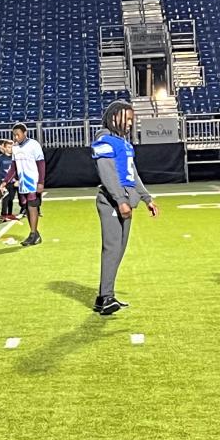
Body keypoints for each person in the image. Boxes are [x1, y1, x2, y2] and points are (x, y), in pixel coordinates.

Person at [90, 100, 159, 315]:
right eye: (127, 119)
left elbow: (133, 174)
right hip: (112, 201)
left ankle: (104, 296)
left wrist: (147, 198)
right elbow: (108, 173)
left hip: (126, 201)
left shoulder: (124, 143)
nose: (130, 123)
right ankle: (107, 296)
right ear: (114, 117)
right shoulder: (104, 139)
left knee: (118, 250)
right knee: (112, 249)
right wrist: (120, 199)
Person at [0, 123, 45, 246]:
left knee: (32, 205)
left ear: (25, 133)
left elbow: (41, 164)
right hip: (22, 182)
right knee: (25, 206)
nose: (16, 137)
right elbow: (13, 167)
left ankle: (33, 234)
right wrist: (5, 181)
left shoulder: (34, 145)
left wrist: (41, 182)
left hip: (33, 180)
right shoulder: (15, 148)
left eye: (18, 134)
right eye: (14, 135)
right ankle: (35, 234)